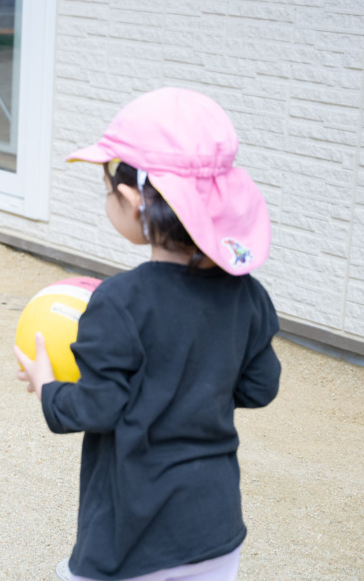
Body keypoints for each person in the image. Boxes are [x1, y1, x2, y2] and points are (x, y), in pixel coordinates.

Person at [15, 87, 281, 581]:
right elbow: (260, 386)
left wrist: (48, 386)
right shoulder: (249, 294)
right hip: (216, 531)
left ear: (131, 199)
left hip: (133, 539)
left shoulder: (119, 301)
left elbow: (97, 407)